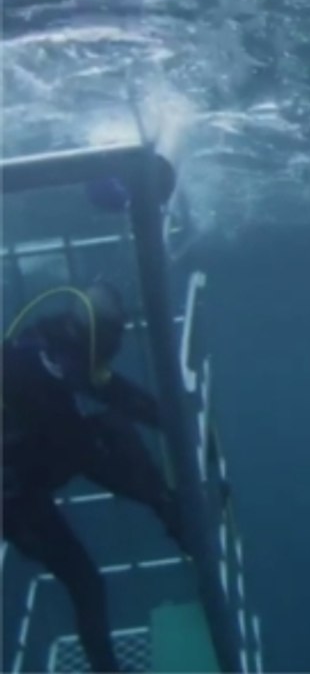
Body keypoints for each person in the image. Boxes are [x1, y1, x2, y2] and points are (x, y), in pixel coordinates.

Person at [3, 280, 184, 673]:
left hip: (26, 471)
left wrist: (171, 421)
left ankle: (169, 509)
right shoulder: (50, 371)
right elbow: (82, 452)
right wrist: (159, 499)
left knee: (109, 430)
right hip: (14, 499)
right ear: (99, 335)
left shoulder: (54, 341)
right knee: (84, 582)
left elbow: (110, 389)